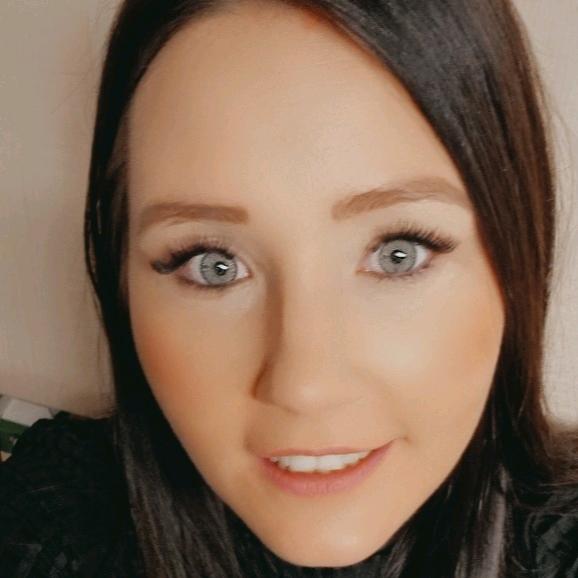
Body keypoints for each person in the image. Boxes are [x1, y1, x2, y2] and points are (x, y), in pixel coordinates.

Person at [1, 0, 577, 576]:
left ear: (515, 258)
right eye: (213, 264)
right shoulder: (51, 519)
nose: (305, 387)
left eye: (398, 253)